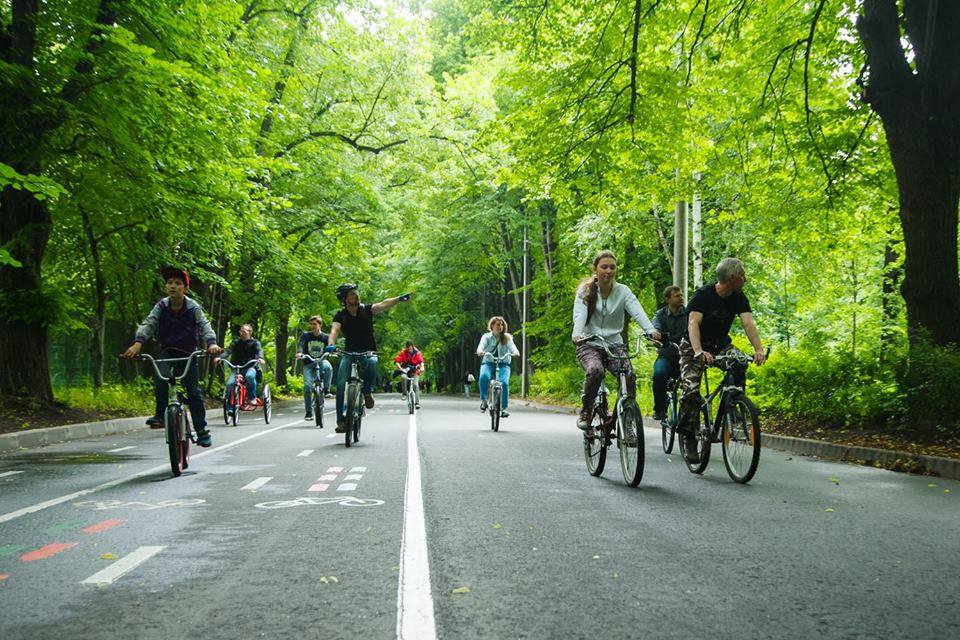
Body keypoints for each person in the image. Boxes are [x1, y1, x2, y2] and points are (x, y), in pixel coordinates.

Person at [677, 257, 767, 462]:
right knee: (691, 390)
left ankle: (733, 410)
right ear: (733, 278)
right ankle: (689, 437)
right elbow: (693, 324)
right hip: (693, 347)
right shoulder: (703, 295)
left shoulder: (738, 296)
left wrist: (758, 349)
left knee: (740, 362)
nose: (745, 277)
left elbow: (748, 323)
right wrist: (699, 351)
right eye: (742, 274)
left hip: (720, 345)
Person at [121, 266, 222, 447]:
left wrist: (212, 343)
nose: (173, 286)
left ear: (185, 288)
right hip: (166, 350)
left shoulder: (192, 307)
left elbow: (204, 325)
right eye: (169, 283)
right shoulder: (161, 306)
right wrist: (138, 343)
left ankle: (201, 430)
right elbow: (149, 323)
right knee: (161, 378)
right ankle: (160, 415)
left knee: (193, 391)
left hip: (187, 352)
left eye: (177, 283)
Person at [571, 250, 661, 444]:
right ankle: (586, 411)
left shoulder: (623, 291)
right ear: (595, 270)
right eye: (604, 267)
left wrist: (651, 330)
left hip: (614, 343)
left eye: (612, 267)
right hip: (589, 343)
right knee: (595, 370)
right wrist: (577, 335)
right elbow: (580, 314)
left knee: (628, 374)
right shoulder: (586, 291)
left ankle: (626, 423)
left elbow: (637, 310)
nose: (608, 271)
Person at [328, 283, 411, 432]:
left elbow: (383, 304)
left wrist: (398, 299)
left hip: (368, 351)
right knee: (340, 383)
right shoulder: (340, 315)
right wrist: (331, 345)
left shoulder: (366, 310)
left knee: (372, 362)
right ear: (345, 299)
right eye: (352, 294)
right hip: (349, 353)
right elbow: (334, 331)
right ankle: (341, 420)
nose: (356, 295)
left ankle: (367, 392)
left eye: (356, 293)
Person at [651, 285, 688, 421]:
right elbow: (655, 330)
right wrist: (656, 337)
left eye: (682, 295)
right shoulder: (660, 315)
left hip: (685, 356)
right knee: (659, 374)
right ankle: (659, 409)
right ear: (667, 299)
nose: (681, 298)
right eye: (677, 296)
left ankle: (689, 415)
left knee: (692, 383)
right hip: (666, 355)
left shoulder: (689, 313)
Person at [476, 316, 521, 417]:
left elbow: (512, 347)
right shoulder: (486, 337)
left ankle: (504, 408)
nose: (500, 326)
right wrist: (480, 351)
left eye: (502, 324)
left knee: (504, 383)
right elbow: (482, 345)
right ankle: (484, 401)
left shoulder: (507, 337)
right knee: (484, 377)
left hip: (503, 364)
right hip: (488, 362)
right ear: (492, 326)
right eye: (498, 324)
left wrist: (515, 352)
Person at [295, 315, 334, 421]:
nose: (312, 326)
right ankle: (308, 413)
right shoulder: (306, 336)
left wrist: (333, 351)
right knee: (307, 387)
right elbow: (301, 344)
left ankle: (326, 390)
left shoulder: (325, 337)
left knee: (328, 367)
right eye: (311, 324)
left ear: (320, 325)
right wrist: (299, 353)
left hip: (321, 362)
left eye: (315, 324)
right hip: (308, 363)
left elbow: (331, 346)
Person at [221, 324, 265, 415]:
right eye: (241, 331)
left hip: (250, 367)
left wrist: (260, 358)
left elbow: (259, 351)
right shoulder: (236, 342)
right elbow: (228, 351)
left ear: (250, 332)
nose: (241, 333)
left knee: (249, 376)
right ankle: (229, 408)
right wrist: (219, 357)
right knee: (230, 384)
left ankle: (252, 397)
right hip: (236, 368)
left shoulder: (255, 343)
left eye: (244, 331)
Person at [393, 340, 425, 409]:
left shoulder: (417, 353)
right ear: (406, 348)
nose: (409, 350)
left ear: (412, 347)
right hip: (405, 371)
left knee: (415, 385)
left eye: (410, 349)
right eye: (408, 349)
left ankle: (417, 403)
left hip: (414, 371)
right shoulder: (403, 353)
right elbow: (397, 361)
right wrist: (401, 369)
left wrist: (422, 367)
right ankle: (404, 393)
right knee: (403, 377)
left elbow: (421, 361)